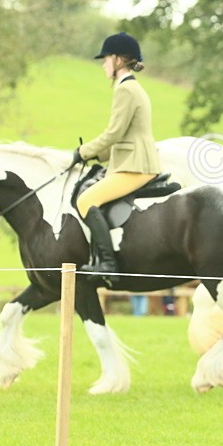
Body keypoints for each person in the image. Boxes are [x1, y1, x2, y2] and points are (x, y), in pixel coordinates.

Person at [73, 32, 161, 282]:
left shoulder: (126, 89)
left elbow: (113, 133)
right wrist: (96, 155)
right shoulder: (131, 87)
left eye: (106, 58)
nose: (103, 64)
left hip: (136, 165)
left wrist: (82, 152)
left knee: (86, 200)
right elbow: (124, 135)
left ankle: (108, 264)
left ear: (119, 60)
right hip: (132, 159)